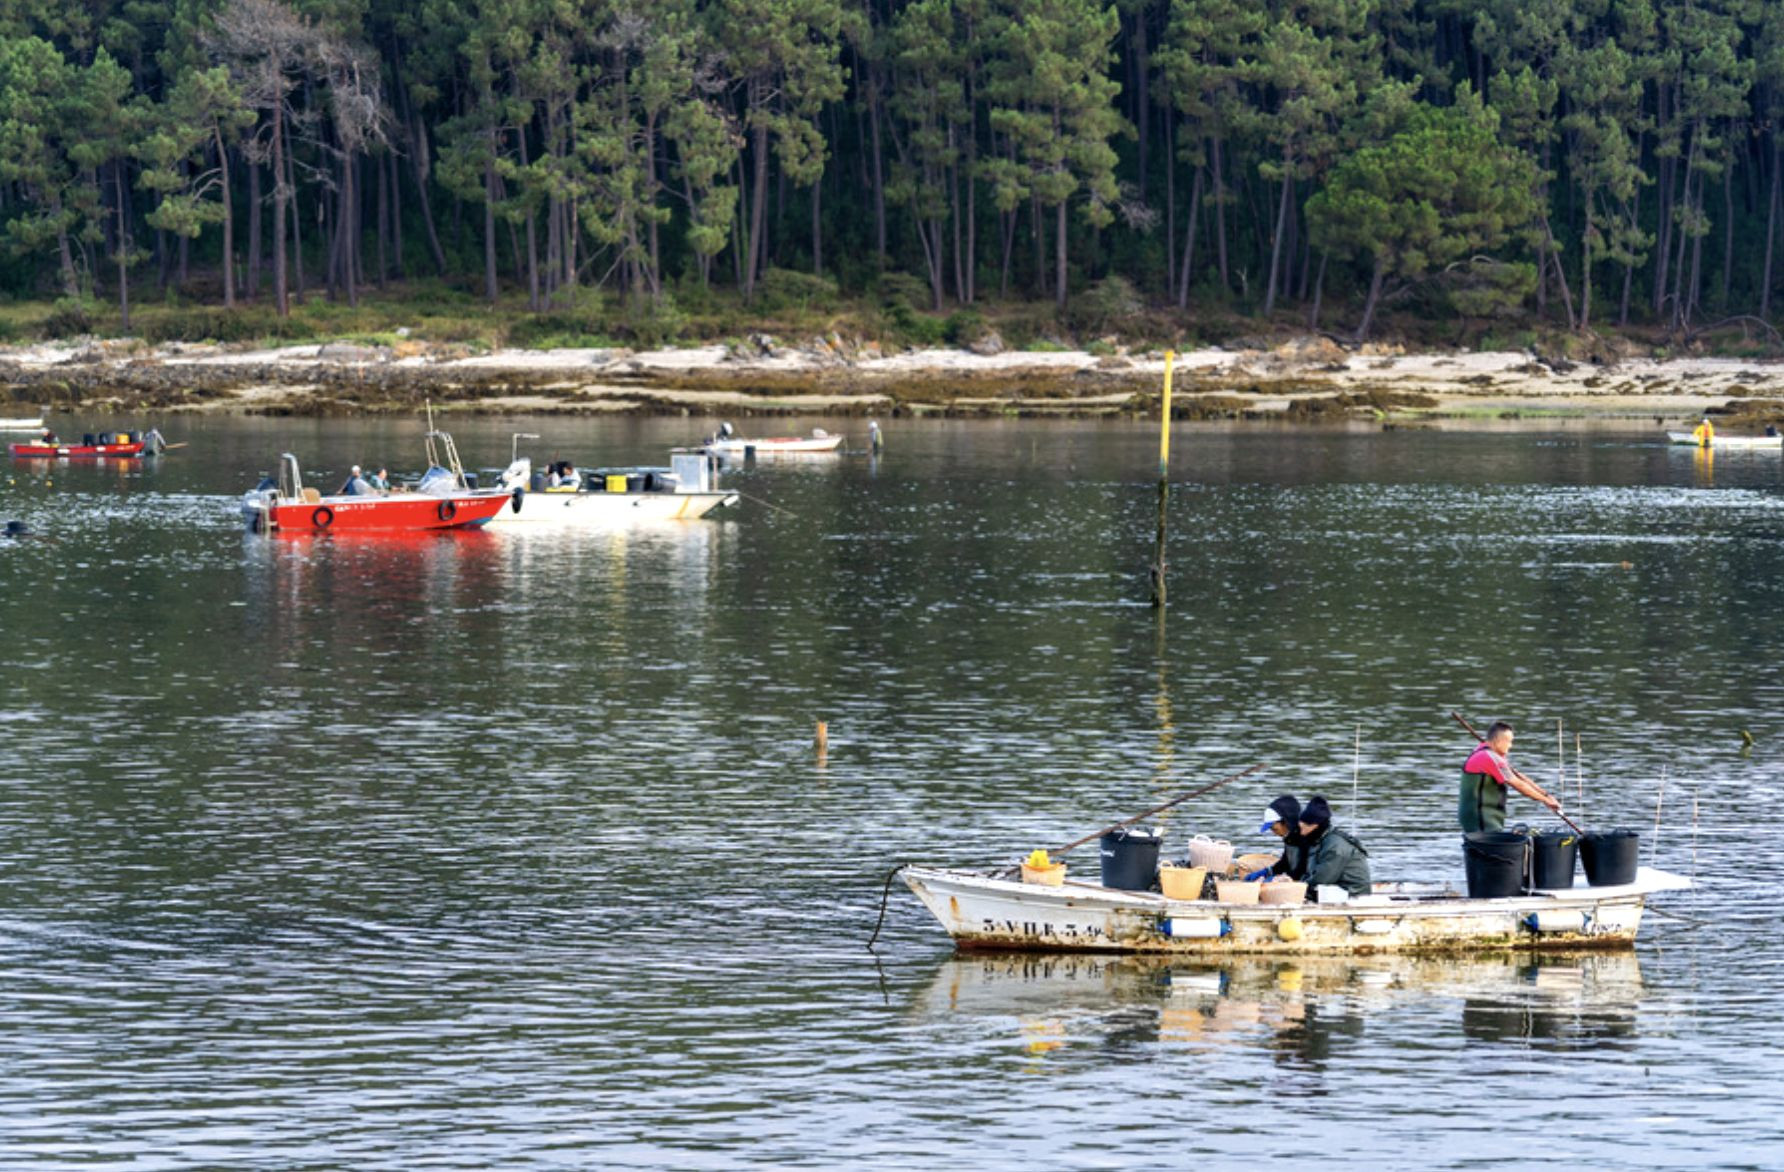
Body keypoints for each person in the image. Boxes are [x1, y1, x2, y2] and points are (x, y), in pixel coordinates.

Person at [1460, 721, 1563, 833]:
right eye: (1509, 742)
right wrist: (1545, 800)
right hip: (1481, 819)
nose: (1511, 746)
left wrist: (1546, 795)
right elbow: (1518, 784)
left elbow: (1520, 778)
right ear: (1498, 741)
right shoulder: (1491, 758)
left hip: (1479, 817)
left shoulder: (1483, 751)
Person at [1297, 796, 1371, 897]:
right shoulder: (1321, 840)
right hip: (1336, 890)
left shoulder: (1335, 846)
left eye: (1302, 828)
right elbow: (1312, 873)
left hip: (1353, 894)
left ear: (1314, 826)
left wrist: (1296, 887)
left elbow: (1322, 880)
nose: (1301, 833)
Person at [1245, 795, 1309, 881]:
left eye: (1275, 829)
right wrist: (1268, 871)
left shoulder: (1306, 839)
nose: (1275, 833)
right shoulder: (1290, 838)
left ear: (1286, 823)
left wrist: (1281, 880)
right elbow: (1285, 862)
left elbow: (1304, 869)